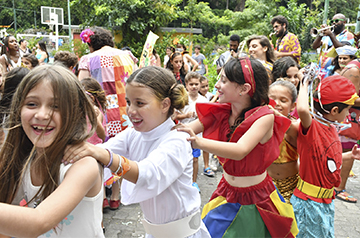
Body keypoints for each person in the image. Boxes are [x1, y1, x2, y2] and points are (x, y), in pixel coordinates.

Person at [62, 66, 211, 238]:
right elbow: (103, 149)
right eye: (129, 102)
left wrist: (104, 156)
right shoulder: (134, 134)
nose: (131, 111)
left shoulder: (177, 140)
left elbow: (147, 174)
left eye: (140, 103)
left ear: (165, 104)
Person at [177, 57, 298, 237]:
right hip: (226, 193)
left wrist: (199, 142)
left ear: (244, 88)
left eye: (224, 80)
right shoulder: (222, 110)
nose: (217, 85)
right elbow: (185, 131)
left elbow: (240, 150)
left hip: (258, 200)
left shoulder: (265, 116)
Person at [0, 65, 104, 237]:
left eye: (56, 106)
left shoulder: (83, 166)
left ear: (77, 113)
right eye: (32, 104)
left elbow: (38, 222)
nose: (42, 114)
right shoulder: (23, 159)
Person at [78, 27, 138, 210]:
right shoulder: (128, 56)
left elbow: (81, 88)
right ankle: (116, 197)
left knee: (100, 152)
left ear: (90, 44)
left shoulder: (87, 59)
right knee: (120, 153)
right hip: (125, 112)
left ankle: (102, 196)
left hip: (101, 115)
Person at [293, 75, 360, 237]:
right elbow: (302, 109)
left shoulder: (331, 128)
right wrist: (304, 83)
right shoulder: (314, 127)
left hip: (324, 201)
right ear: (335, 110)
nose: (348, 115)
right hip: (309, 203)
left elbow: (326, 159)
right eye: (347, 110)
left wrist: (349, 156)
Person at [173, 72, 213, 193]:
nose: (194, 87)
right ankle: (180, 182)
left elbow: (207, 118)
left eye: (197, 84)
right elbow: (175, 115)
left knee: (195, 159)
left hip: (196, 135)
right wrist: (186, 115)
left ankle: (193, 182)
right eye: (191, 84)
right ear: (186, 85)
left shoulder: (203, 100)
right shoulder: (183, 99)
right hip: (181, 133)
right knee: (181, 159)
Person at [267, 80, 299, 203]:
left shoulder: (294, 126)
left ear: (292, 106)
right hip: (267, 185)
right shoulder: (262, 124)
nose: (277, 104)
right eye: (273, 99)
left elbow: (288, 127)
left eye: (283, 100)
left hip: (290, 187)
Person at [333, 59, 360, 203]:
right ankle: (338, 188)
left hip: (352, 118)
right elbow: (349, 98)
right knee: (349, 151)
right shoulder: (354, 71)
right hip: (348, 118)